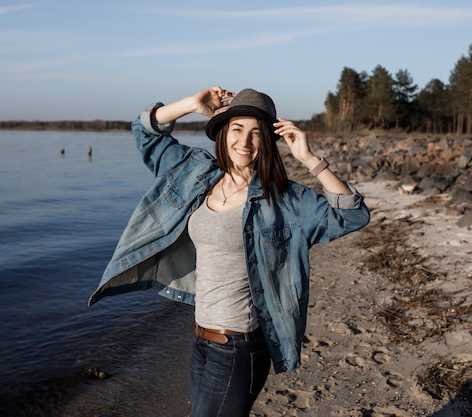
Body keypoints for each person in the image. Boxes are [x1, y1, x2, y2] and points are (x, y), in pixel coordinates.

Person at [89, 86, 370, 416]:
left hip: (241, 346)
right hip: (201, 339)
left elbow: (351, 215)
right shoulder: (195, 173)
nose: (245, 141)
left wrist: (310, 160)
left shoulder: (285, 199)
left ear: (267, 141)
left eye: (256, 133)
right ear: (222, 133)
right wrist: (192, 105)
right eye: (237, 129)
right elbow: (144, 131)